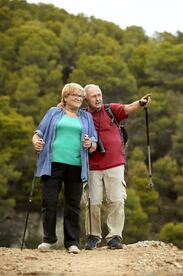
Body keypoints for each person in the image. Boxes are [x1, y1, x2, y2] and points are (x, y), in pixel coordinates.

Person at [82, 84, 151, 250]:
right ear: (86, 99)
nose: (98, 98)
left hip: (115, 164)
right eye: (94, 96)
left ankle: (114, 237)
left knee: (117, 200)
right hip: (92, 166)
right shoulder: (82, 116)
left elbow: (128, 108)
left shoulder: (110, 110)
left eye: (99, 95)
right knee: (93, 202)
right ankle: (93, 236)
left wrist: (141, 103)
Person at [32, 83, 97, 254]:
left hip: (76, 166)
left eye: (81, 96)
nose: (78, 98)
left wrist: (90, 143)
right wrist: (36, 142)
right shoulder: (53, 112)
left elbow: (94, 143)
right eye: (74, 95)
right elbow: (38, 133)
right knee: (49, 202)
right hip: (52, 163)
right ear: (65, 97)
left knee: (73, 204)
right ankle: (48, 240)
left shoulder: (86, 117)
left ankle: (72, 242)